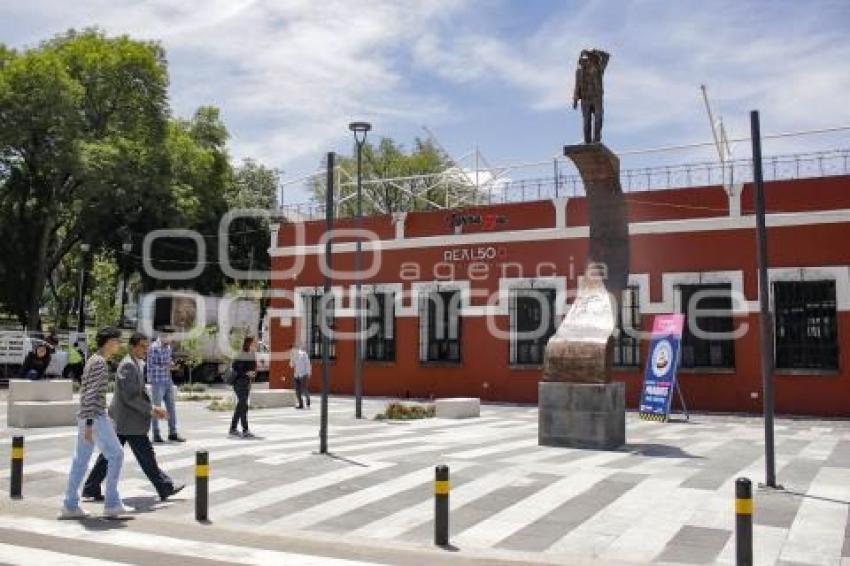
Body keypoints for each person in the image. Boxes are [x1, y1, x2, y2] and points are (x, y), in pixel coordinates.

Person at [83, 333, 185, 502]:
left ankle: (91, 487)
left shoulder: (135, 363)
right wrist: (152, 409)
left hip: (125, 420)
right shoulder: (128, 365)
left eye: (147, 346)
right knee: (146, 456)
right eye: (143, 346)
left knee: (109, 454)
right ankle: (165, 487)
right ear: (132, 347)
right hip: (128, 420)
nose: (146, 350)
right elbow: (130, 397)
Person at [59, 326, 126, 519]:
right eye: (117, 341)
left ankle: (70, 505)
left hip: (88, 416)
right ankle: (112, 504)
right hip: (93, 417)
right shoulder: (99, 363)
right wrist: (89, 423)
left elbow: (85, 391)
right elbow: (90, 394)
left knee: (80, 461)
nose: (119, 345)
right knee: (116, 454)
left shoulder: (93, 360)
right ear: (109, 341)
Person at [146, 330, 185, 443]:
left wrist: (173, 364)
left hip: (168, 380)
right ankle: (156, 434)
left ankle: (173, 433)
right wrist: (167, 366)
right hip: (157, 382)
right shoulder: (153, 348)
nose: (170, 340)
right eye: (169, 337)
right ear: (162, 336)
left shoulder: (168, 348)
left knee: (171, 408)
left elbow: (167, 362)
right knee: (157, 409)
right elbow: (151, 367)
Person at [572, 48, 610, 144]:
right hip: (585, 99)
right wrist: (575, 99)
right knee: (586, 121)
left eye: (587, 59)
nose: (585, 62)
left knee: (598, 118)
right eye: (583, 60)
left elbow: (606, 56)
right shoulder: (579, 71)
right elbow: (577, 85)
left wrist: (596, 51)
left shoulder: (598, 68)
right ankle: (587, 141)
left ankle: (596, 140)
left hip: (596, 98)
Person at [229, 336, 257, 439]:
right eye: (254, 342)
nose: (256, 344)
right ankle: (245, 430)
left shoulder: (252, 354)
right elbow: (235, 368)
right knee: (243, 405)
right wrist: (246, 373)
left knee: (241, 406)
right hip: (239, 383)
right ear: (249, 343)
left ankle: (233, 428)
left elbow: (253, 368)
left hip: (247, 383)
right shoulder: (240, 354)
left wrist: (252, 378)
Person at [289, 343, 311, 409]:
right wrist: (291, 358)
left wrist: (309, 373)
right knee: (297, 390)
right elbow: (291, 366)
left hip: (303, 374)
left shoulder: (303, 354)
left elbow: (308, 364)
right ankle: (300, 404)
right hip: (296, 375)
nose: (292, 351)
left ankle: (308, 400)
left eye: (293, 349)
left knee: (304, 389)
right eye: (291, 350)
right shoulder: (293, 356)